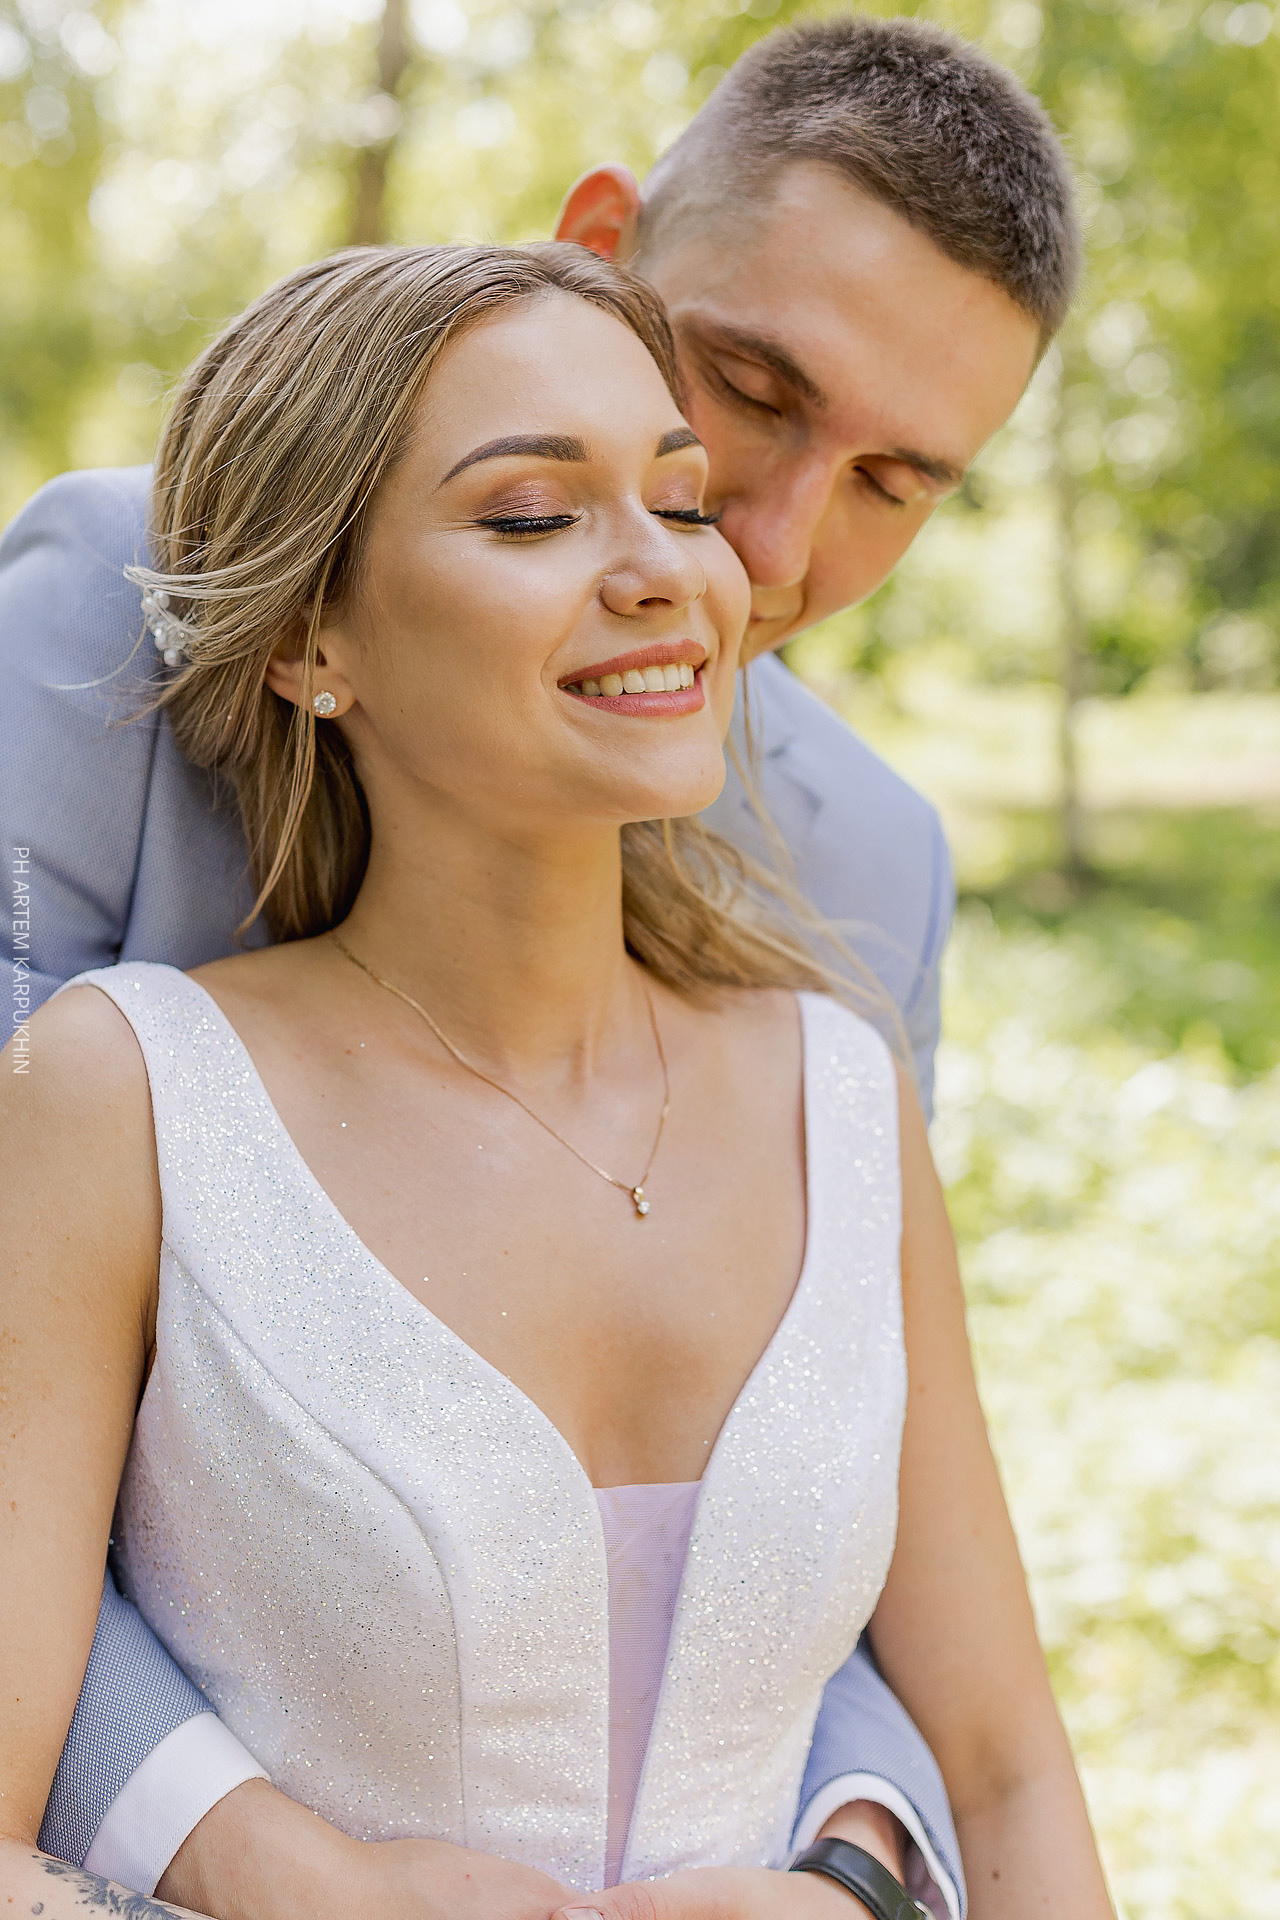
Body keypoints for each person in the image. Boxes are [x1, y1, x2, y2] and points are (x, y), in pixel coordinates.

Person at [0, 16, 1078, 1920]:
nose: (758, 546)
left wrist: (860, 1869)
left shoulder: (869, 910)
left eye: (897, 483)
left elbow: (852, 1577)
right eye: (748, 388)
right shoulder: (102, 641)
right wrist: (269, 1863)